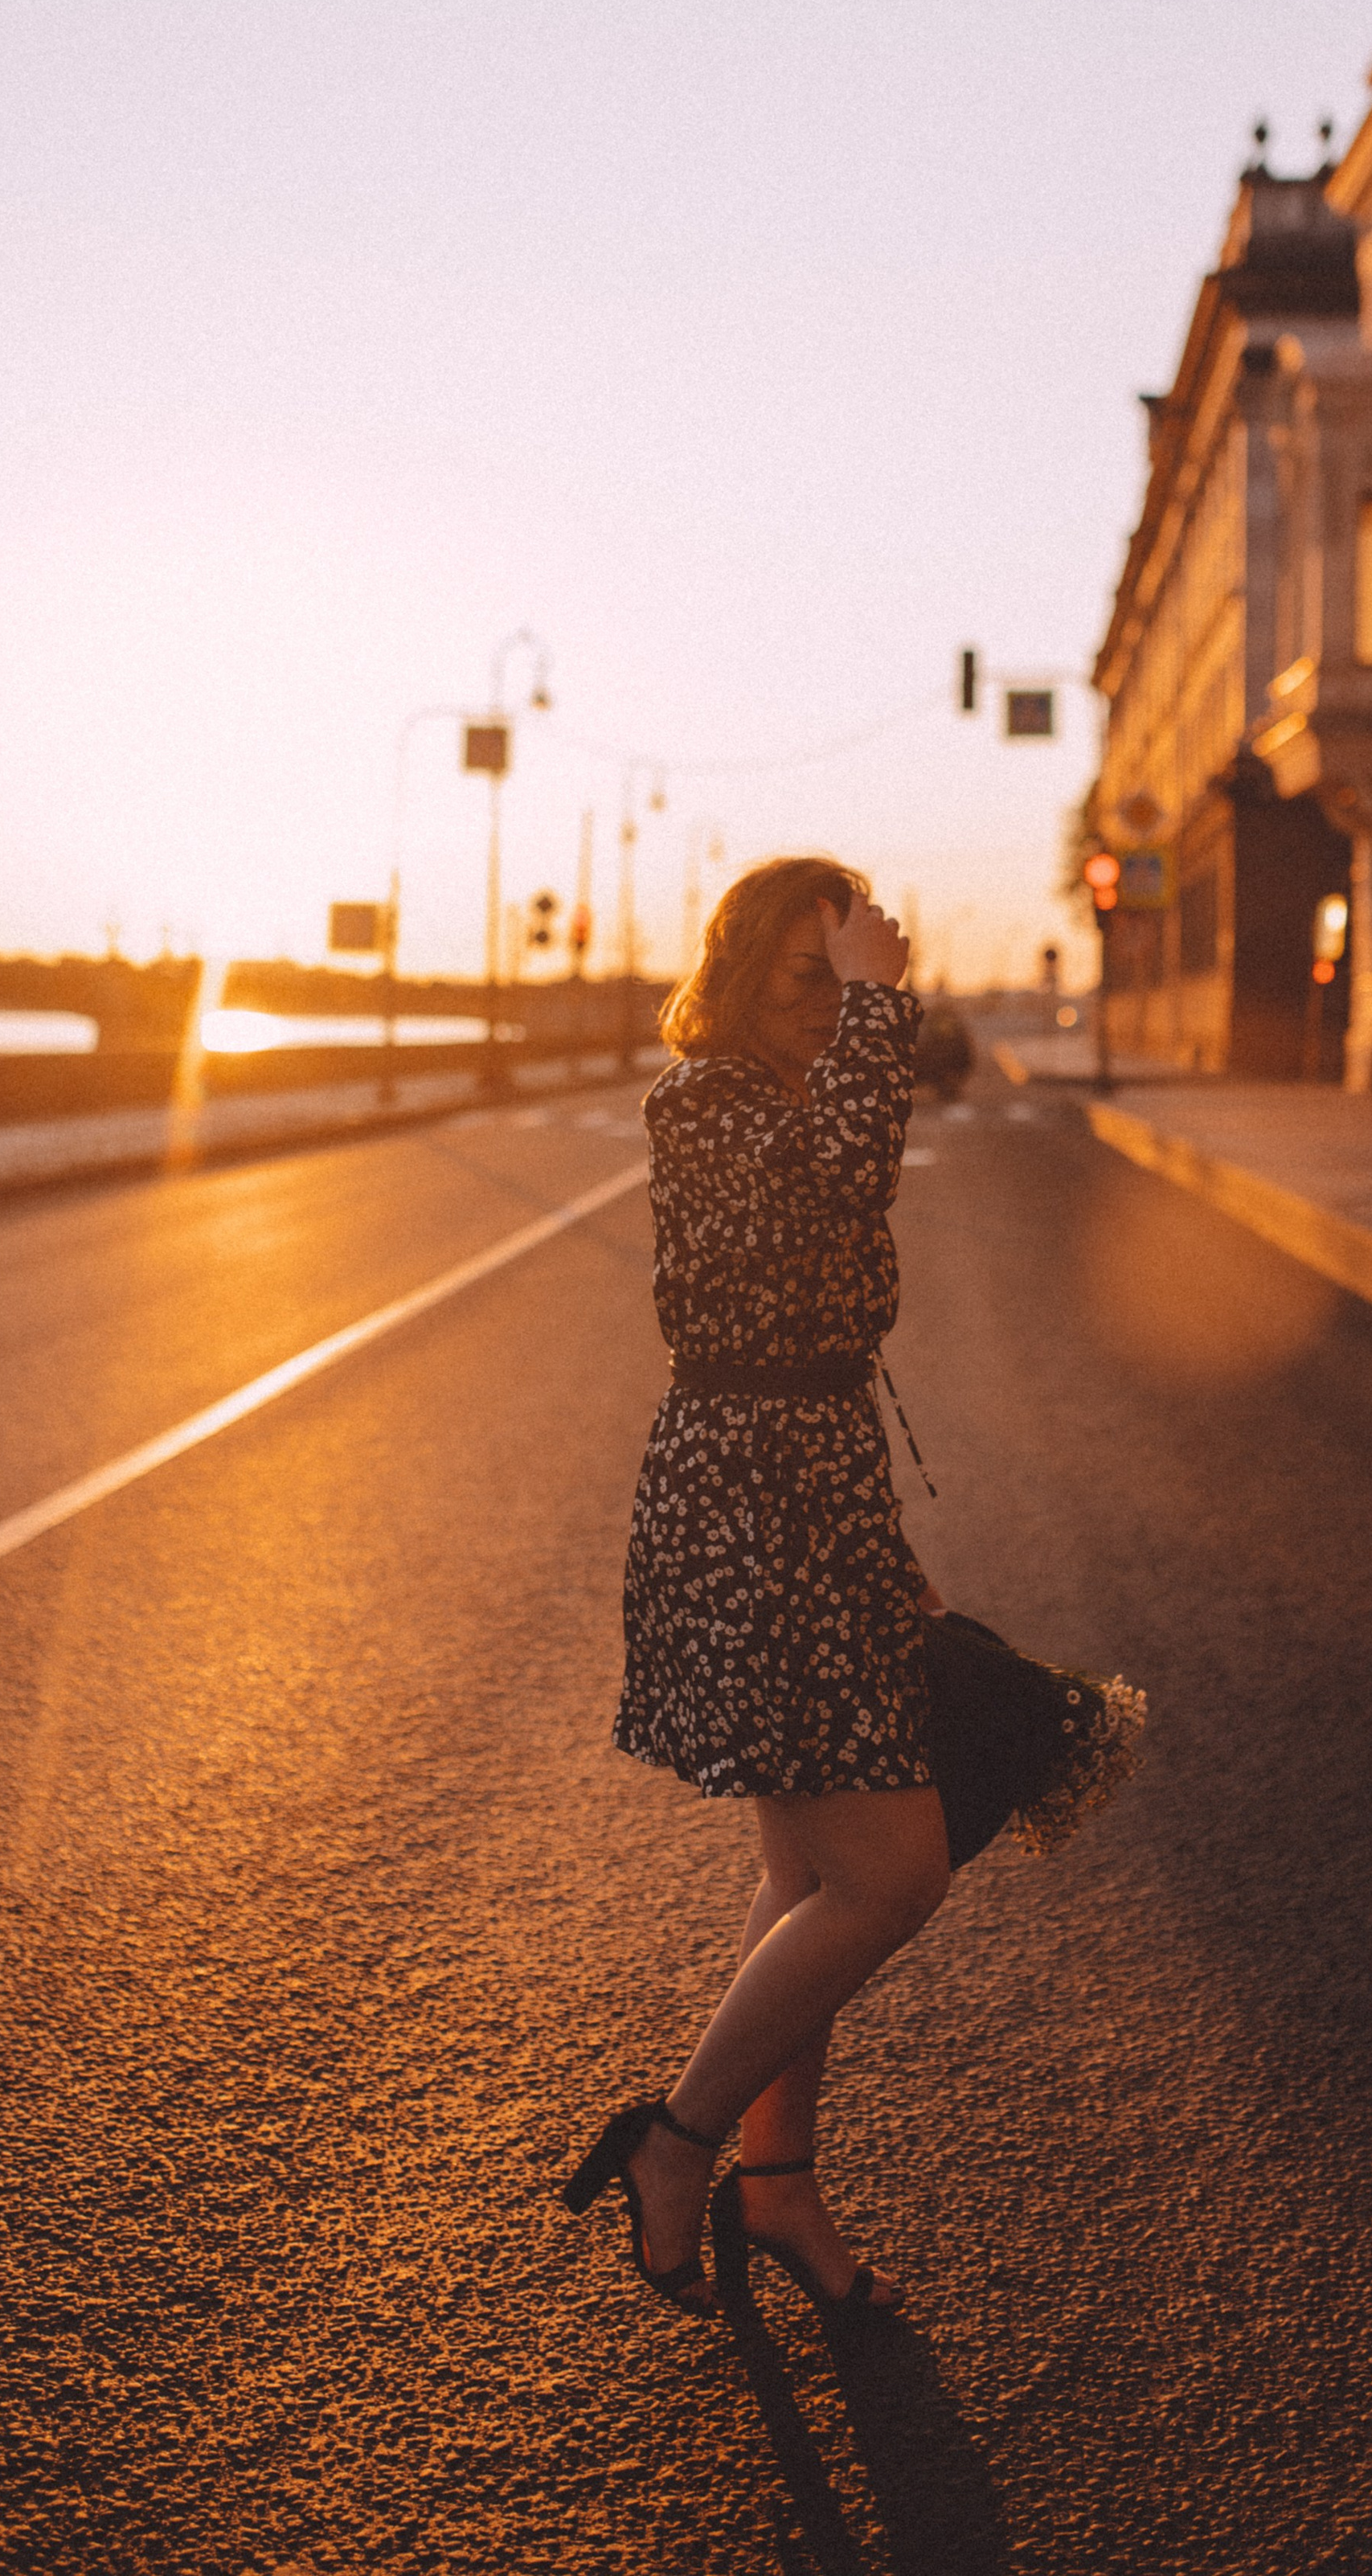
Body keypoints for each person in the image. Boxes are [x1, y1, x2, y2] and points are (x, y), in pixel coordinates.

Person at [563, 856, 947, 2322]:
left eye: (835, 985)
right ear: (734, 985)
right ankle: (677, 2144)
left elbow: (833, 1290)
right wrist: (880, 1005)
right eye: (806, 987)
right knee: (890, 1875)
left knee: (809, 1877)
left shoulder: (785, 1105)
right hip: (751, 1510)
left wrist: (882, 1537)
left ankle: (778, 2187)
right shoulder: (705, 1106)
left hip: (817, 1491)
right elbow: (851, 1177)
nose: (824, 1016)